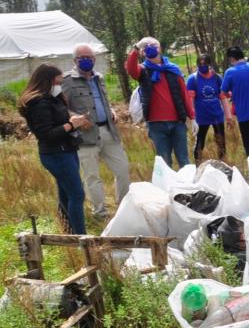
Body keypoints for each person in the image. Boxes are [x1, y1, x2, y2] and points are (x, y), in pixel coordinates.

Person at [61, 43, 131, 220]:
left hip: (108, 130)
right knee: (92, 176)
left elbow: (102, 102)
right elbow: (61, 109)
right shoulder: (67, 81)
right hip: (85, 135)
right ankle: (100, 213)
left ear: (94, 59)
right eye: (82, 58)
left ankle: (124, 208)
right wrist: (75, 119)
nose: (86, 60)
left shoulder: (99, 77)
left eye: (89, 57)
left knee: (122, 170)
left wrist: (112, 110)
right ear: (74, 60)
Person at [19, 65, 88, 234]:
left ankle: (69, 232)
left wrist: (71, 118)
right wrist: (71, 125)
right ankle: (81, 238)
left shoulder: (52, 98)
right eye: (59, 80)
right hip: (56, 153)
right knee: (77, 195)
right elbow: (46, 134)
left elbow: (59, 117)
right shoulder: (38, 103)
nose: (61, 83)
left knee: (66, 193)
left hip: (67, 150)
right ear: (48, 80)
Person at [126, 37, 195, 168]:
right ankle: (168, 188)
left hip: (177, 123)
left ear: (160, 49)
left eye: (154, 46)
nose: (151, 48)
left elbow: (184, 94)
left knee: (184, 161)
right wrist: (136, 48)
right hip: (156, 125)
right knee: (164, 163)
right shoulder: (142, 70)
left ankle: (188, 188)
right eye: (147, 46)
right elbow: (130, 68)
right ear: (143, 51)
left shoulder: (172, 69)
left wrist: (192, 116)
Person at [221, 46, 249, 158]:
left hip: (243, 113)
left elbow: (223, 92)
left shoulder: (230, 72)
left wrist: (233, 93)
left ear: (232, 58)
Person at [185, 54, 231, 162]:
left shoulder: (217, 78)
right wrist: (192, 118)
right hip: (201, 118)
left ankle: (223, 163)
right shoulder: (193, 79)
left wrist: (228, 116)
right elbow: (190, 100)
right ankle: (198, 164)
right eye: (200, 64)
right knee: (200, 143)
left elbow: (223, 97)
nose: (202, 66)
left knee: (221, 143)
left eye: (205, 64)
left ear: (209, 65)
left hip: (217, 116)